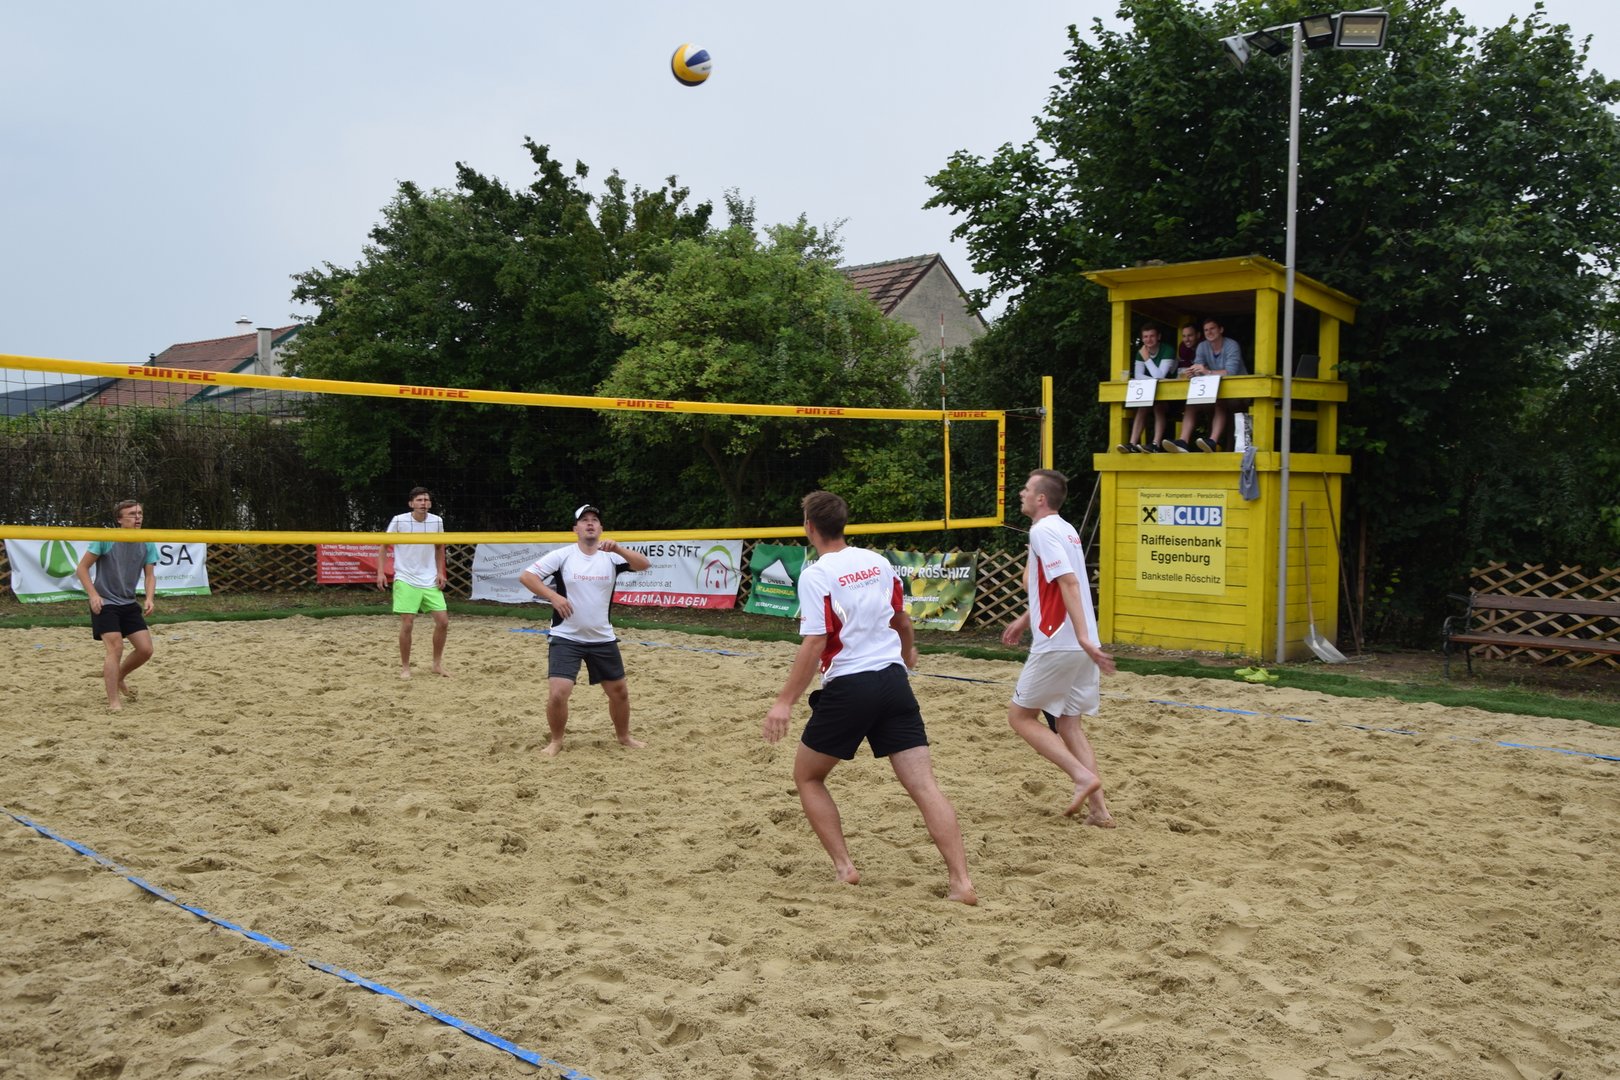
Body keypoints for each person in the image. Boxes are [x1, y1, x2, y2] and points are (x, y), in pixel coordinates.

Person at [763, 491, 977, 905]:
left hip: (850, 686)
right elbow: (901, 620)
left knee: (808, 777)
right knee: (925, 787)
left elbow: (815, 641)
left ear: (809, 526)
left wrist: (784, 701)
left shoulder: (816, 574)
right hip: (893, 681)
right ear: (843, 524)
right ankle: (961, 882)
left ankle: (845, 868)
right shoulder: (877, 562)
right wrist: (908, 652)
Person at [1001, 470, 1117, 825]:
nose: (1021, 493)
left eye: (1026, 489)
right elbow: (1052, 586)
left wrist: (1080, 636)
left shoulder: (1042, 531)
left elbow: (1068, 583)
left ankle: (1081, 776)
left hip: (1061, 642)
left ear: (1041, 498)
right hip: (1080, 642)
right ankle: (1099, 811)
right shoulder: (1066, 529)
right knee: (1069, 725)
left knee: (1020, 717)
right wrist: (1026, 619)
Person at [520, 503, 651, 756]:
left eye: (594, 520)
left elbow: (644, 564)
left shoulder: (612, 556)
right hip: (566, 635)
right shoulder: (562, 556)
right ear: (575, 529)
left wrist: (619, 548)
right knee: (558, 693)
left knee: (619, 692)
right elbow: (527, 577)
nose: (590, 523)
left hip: (602, 637)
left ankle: (624, 737)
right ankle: (556, 741)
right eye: (584, 520)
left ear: (601, 528)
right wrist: (553, 597)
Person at [74, 498, 158, 712]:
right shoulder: (106, 538)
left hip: (128, 602)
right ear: (119, 520)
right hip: (105, 602)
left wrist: (149, 598)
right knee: (116, 648)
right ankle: (114, 702)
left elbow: (150, 575)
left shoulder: (147, 541)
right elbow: (82, 569)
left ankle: (119, 676)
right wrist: (93, 595)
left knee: (145, 650)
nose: (137, 518)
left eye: (140, 513)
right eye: (132, 514)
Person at [377, 486, 450, 679]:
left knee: (443, 622)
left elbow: (439, 548)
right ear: (411, 503)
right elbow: (383, 546)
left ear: (430, 504)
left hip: (429, 578)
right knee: (408, 623)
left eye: (426, 500)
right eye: (419, 500)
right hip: (405, 577)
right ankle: (405, 667)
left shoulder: (437, 521)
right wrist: (381, 573)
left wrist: (440, 572)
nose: (423, 503)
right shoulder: (399, 520)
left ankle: (436, 664)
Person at [1164, 317, 1247, 452]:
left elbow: (1230, 373)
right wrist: (1193, 373)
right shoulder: (1202, 346)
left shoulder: (1232, 345)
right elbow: (1200, 369)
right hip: (1215, 392)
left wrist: (1207, 371)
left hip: (1240, 393)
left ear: (1221, 330)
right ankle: (1183, 442)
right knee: (1191, 403)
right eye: (1206, 330)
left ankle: (1213, 441)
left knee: (1220, 401)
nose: (1209, 332)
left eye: (1212, 328)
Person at [1118, 322, 1176, 453]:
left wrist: (1146, 358)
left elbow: (1160, 375)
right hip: (1151, 394)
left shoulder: (1168, 350)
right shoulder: (1141, 352)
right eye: (1145, 337)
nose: (1148, 340)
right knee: (1143, 406)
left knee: (1158, 406)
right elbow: (1138, 375)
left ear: (1158, 337)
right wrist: (1155, 380)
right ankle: (1132, 444)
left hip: (1172, 396)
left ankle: (1155, 444)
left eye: (1152, 336)